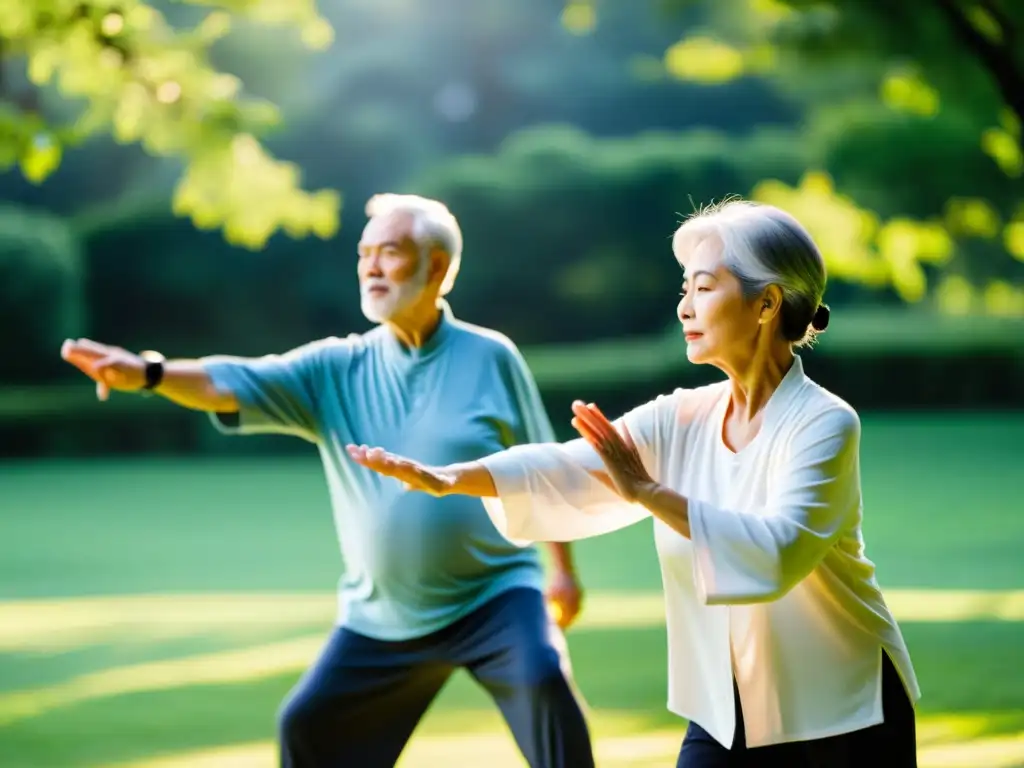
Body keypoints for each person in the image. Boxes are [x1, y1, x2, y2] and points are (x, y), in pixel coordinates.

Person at [347, 199, 922, 767]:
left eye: (703, 287)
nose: (684, 308)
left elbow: (777, 553)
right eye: (684, 290)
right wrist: (451, 478)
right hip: (729, 707)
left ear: (766, 302)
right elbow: (571, 468)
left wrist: (647, 492)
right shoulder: (682, 417)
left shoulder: (824, 422)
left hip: (846, 710)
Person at [60, 193, 595, 768]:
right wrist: (148, 373)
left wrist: (562, 573)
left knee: (544, 681)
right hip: (382, 614)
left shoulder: (491, 357)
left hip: (493, 597)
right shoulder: (335, 368)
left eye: (389, 252)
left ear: (436, 267)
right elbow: (229, 382)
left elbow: (542, 469)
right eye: (364, 253)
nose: (370, 266)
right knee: (307, 724)